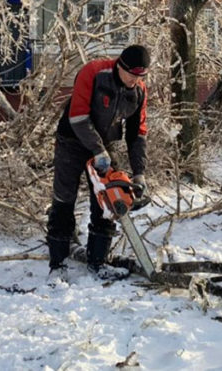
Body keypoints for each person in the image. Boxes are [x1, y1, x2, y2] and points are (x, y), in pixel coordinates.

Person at [46, 44, 150, 279]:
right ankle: (58, 263)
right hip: (72, 139)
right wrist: (98, 150)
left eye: (140, 76)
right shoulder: (93, 72)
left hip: (104, 142)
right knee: (64, 198)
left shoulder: (139, 92)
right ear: (120, 66)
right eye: (132, 75)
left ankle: (98, 260)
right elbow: (78, 116)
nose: (135, 80)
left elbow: (137, 133)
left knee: (109, 199)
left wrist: (139, 172)